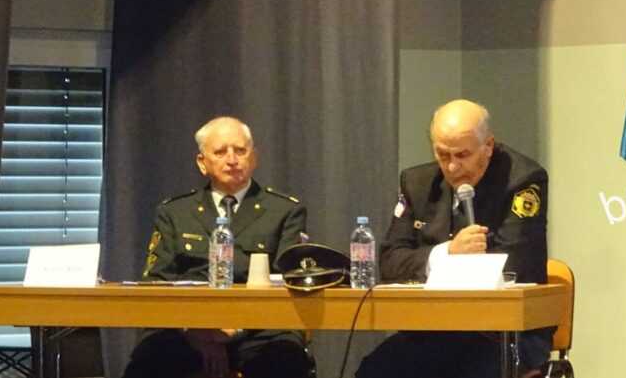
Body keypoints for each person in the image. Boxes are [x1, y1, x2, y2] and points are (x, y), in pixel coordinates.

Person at [357, 99, 552, 378]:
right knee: (375, 370)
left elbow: (516, 265)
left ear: (488, 146)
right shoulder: (417, 182)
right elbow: (390, 262)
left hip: (503, 333)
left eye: (462, 155)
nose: (451, 167)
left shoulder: (522, 180)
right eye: (442, 154)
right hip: (436, 328)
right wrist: (447, 253)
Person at [122, 116, 312, 378]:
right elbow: (156, 283)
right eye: (221, 152)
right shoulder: (175, 212)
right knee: (150, 358)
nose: (232, 159)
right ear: (202, 162)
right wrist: (195, 331)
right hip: (188, 330)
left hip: (260, 331)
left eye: (240, 151)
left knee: (286, 360)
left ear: (254, 158)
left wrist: (238, 329)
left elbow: (289, 287)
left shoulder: (284, 211)